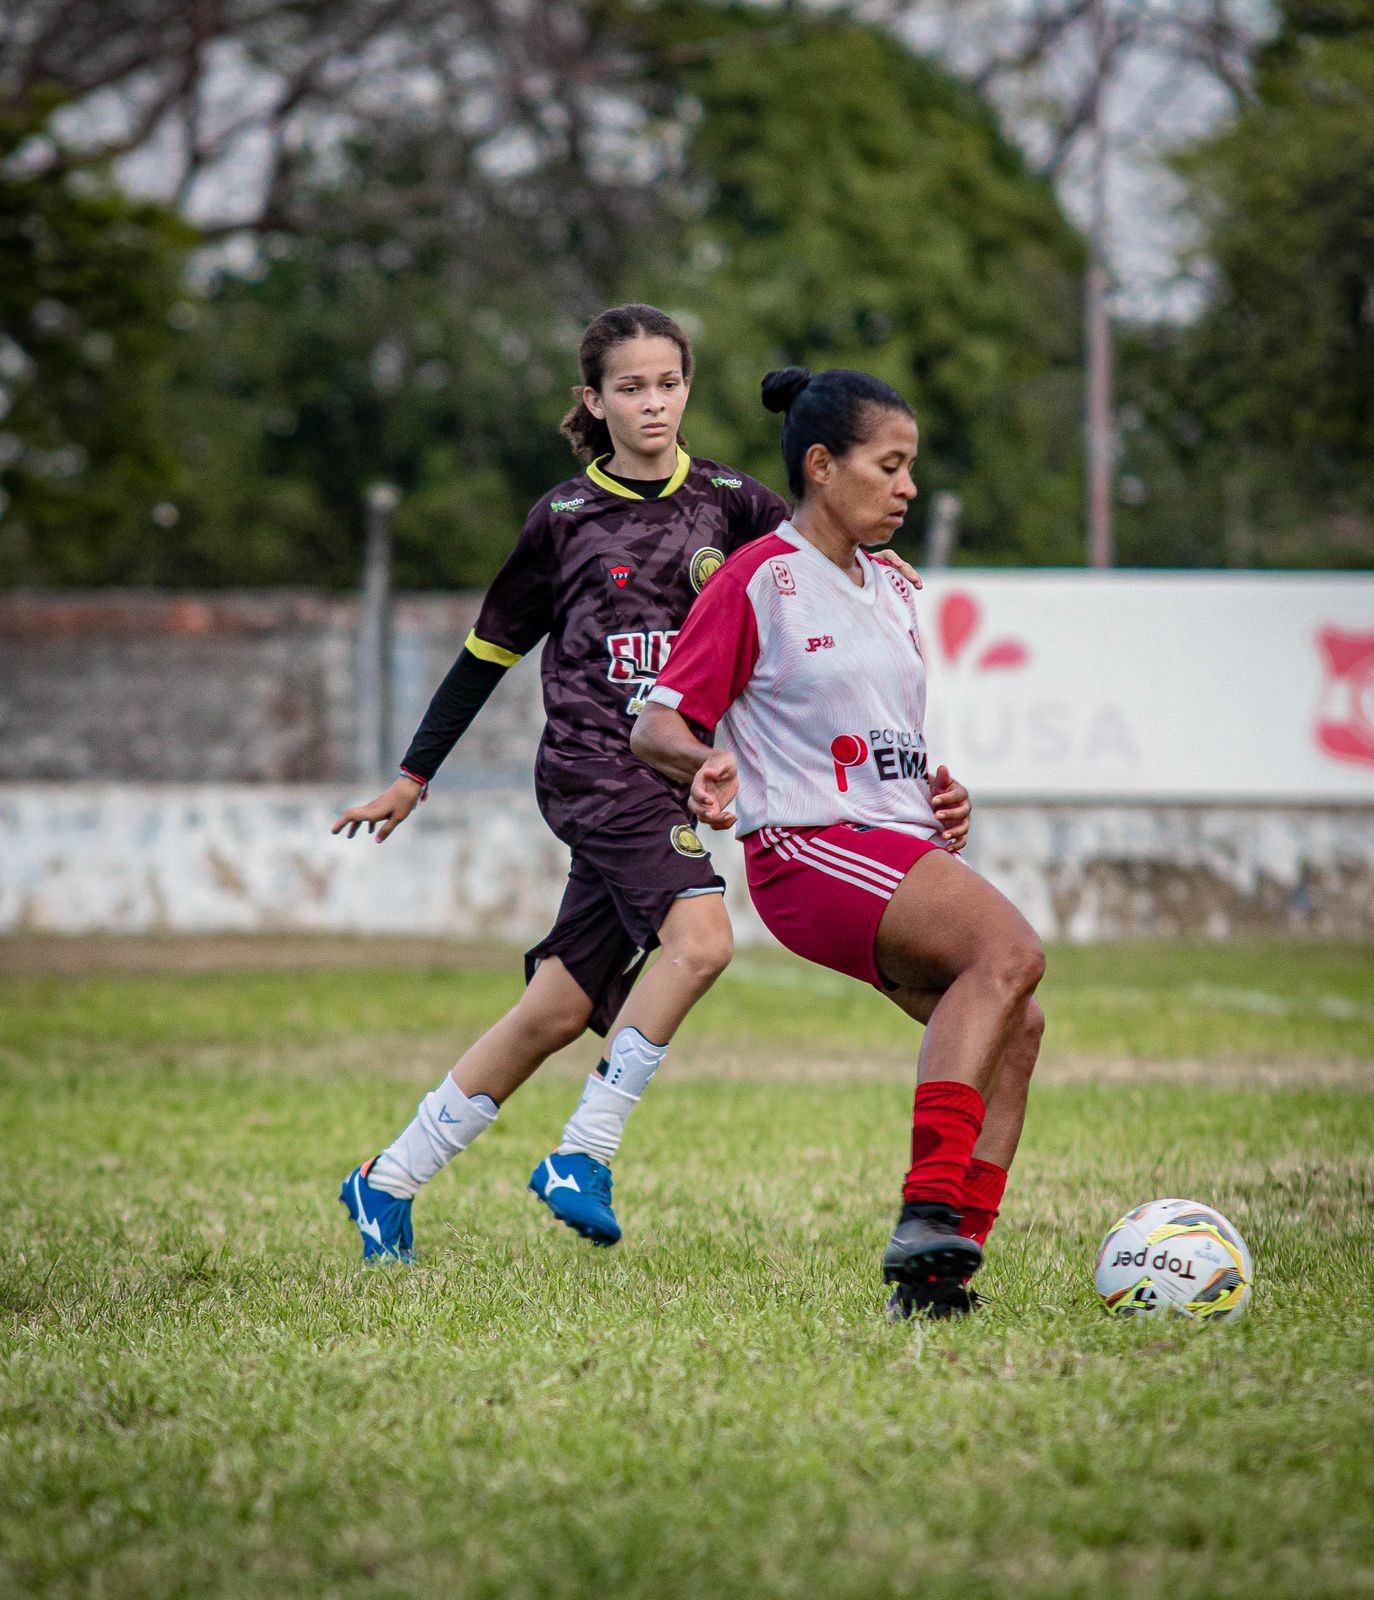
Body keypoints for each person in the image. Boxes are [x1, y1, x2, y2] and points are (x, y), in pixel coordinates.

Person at [329, 306, 948, 1261]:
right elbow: (485, 654)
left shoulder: (731, 503)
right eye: (630, 387)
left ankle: (387, 1181)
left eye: (667, 384)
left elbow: (815, 551)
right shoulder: (564, 521)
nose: (651, 403)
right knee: (700, 941)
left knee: (559, 1007)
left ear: (687, 389)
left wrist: (874, 559)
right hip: (592, 768)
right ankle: (583, 1151)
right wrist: (415, 774)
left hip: (670, 785)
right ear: (595, 401)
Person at [631, 366, 1045, 1319]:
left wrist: (939, 797)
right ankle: (926, 1211)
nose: (907, 488)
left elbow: (879, 736)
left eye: (911, 470)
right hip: (809, 852)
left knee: (1017, 1029)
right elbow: (656, 726)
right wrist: (700, 765)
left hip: (891, 844)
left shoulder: (896, 588)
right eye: (889, 467)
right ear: (822, 466)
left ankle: (939, 1278)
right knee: (1010, 952)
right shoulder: (760, 581)